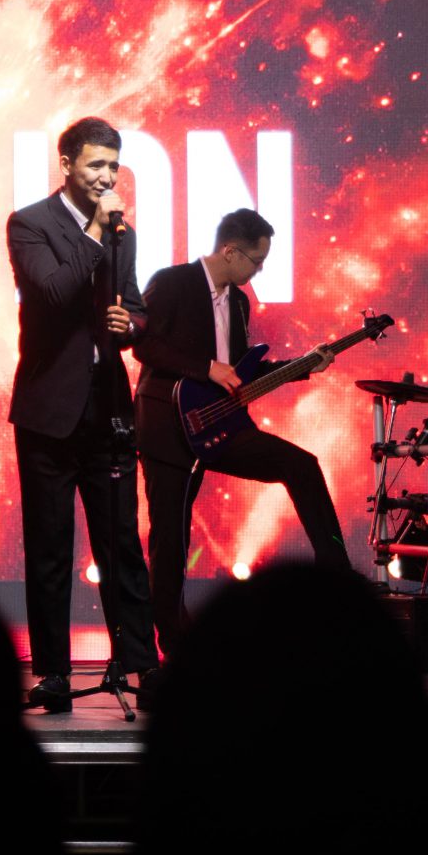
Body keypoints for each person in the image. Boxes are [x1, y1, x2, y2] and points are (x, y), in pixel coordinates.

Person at [135, 207, 352, 664]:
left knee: (301, 465)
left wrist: (301, 367)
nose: (259, 271)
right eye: (257, 261)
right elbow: (144, 344)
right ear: (231, 251)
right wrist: (204, 368)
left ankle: (338, 580)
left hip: (219, 424)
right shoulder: (172, 282)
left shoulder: (238, 302)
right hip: (167, 426)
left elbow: (240, 373)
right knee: (171, 538)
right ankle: (173, 643)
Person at [7, 117, 160, 712]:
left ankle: (141, 664)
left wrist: (132, 325)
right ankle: (54, 674)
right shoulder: (31, 224)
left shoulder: (125, 235)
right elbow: (51, 295)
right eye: (96, 164)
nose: (106, 176)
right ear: (67, 163)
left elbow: (137, 306)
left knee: (121, 542)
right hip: (48, 410)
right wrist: (96, 231)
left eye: (113, 166)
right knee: (50, 549)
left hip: (107, 408)